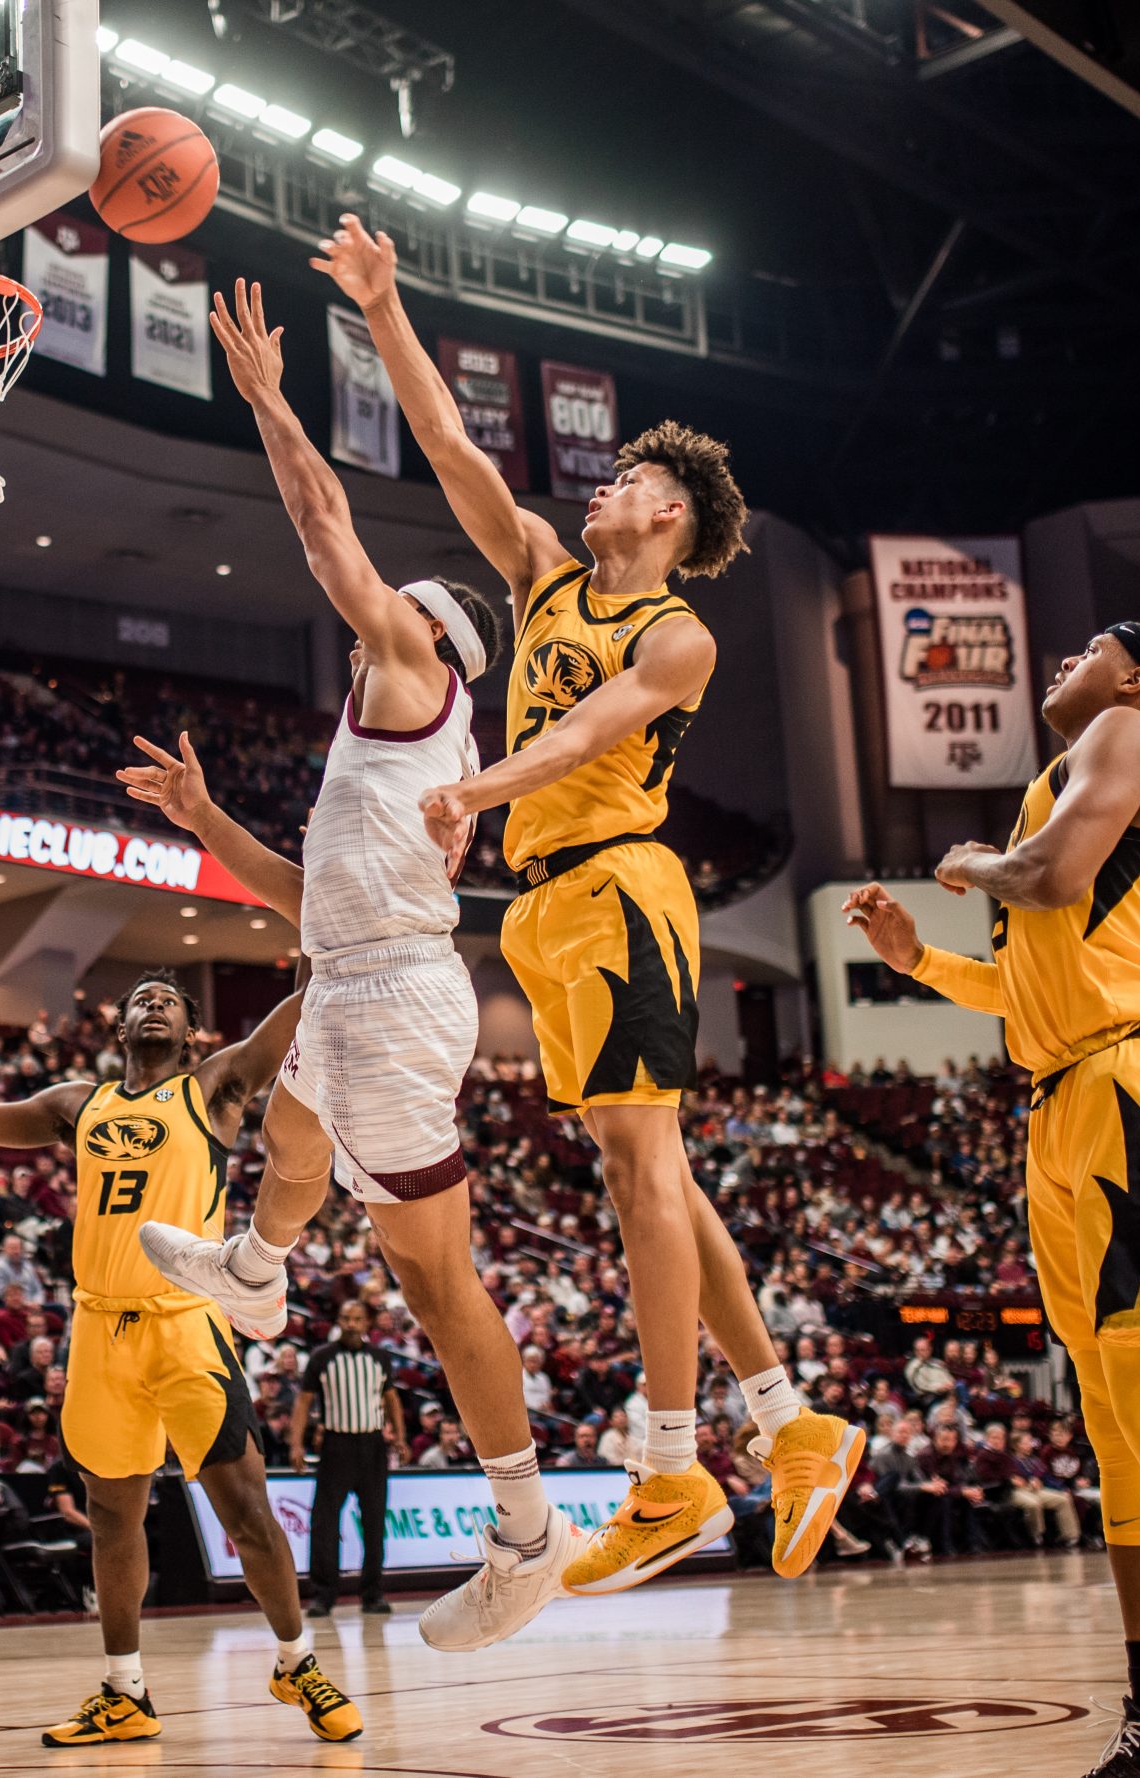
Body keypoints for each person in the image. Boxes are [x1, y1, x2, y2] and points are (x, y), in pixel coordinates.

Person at [318, 219, 853, 1594]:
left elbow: (591, 734)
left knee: (637, 1174)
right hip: (547, 912)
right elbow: (455, 452)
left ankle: (672, 1470)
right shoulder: (548, 579)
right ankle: (791, 1425)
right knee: (653, 1174)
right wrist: (385, 309)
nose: (601, 486)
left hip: (621, 885)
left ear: (669, 513)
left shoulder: (676, 632)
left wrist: (474, 788)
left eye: (626, 478)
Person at [126, 281, 618, 1652]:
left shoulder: (416, 681)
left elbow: (324, 527)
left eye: (389, 610)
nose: (364, 614)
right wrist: (204, 817)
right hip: (351, 980)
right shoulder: (389, 738)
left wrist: (271, 398)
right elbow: (303, 897)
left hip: (398, 995)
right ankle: (260, 1269)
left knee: (438, 1284)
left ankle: (527, 1534)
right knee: (286, 1128)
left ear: (425, 635)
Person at [844, 623, 1140, 1776]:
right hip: (1060, 1090)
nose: (1063, 656)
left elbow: (1048, 878)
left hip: (1135, 1078)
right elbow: (1025, 988)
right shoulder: (1046, 789)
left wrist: (968, 865)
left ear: (1137, 675)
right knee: (1112, 1422)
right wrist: (919, 958)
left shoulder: (1126, 733)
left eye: (1087, 645)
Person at [0, 975, 363, 1749]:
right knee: (110, 1516)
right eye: (142, 997)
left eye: (169, 1000)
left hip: (186, 1321)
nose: (153, 1003)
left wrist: (322, 931)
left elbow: (294, 1014)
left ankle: (295, 1661)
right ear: (120, 1024)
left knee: (247, 1509)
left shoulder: (214, 1086)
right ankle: (124, 1691)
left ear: (191, 1032)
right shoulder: (77, 1104)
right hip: (97, 1329)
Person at [291, 1299, 402, 1619]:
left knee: (374, 1522)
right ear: (339, 1321)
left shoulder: (380, 1358)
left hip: (373, 1446)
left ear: (367, 1323)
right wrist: (296, 1443)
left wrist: (400, 1435)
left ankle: (373, 1593)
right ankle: (323, 1595)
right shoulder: (322, 1357)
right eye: (345, 1318)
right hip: (336, 1446)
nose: (351, 1324)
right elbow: (303, 1402)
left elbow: (390, 1397)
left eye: (357, 1319)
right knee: (325, 1523)